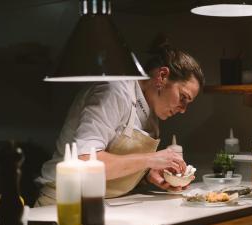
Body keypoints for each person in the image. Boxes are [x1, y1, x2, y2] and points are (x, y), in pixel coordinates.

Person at [36, 45, 204, 206]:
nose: (183, 110)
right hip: (64, 203)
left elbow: (122, 163)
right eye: (183, 97)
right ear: (162, 76)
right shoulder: (113, 91)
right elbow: (86, 161)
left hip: (107, 204)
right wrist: (150, 160)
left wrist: (148, 175)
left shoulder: (152, 112)